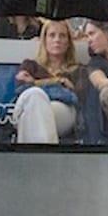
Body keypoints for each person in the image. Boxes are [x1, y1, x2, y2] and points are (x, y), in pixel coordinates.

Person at [10, 17, 87, 145]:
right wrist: (57, 82)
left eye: (62, 36)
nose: (57, 40)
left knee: (34, 99)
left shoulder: (78, 70)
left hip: (64, 113)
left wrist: (35, 83)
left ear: (69, 42)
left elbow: (76, 98)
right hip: (32, 108)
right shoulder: (30, 65)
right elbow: (20, 89)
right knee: (35, 97)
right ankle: (45, 154)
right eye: (52, 35)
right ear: (44, 39)